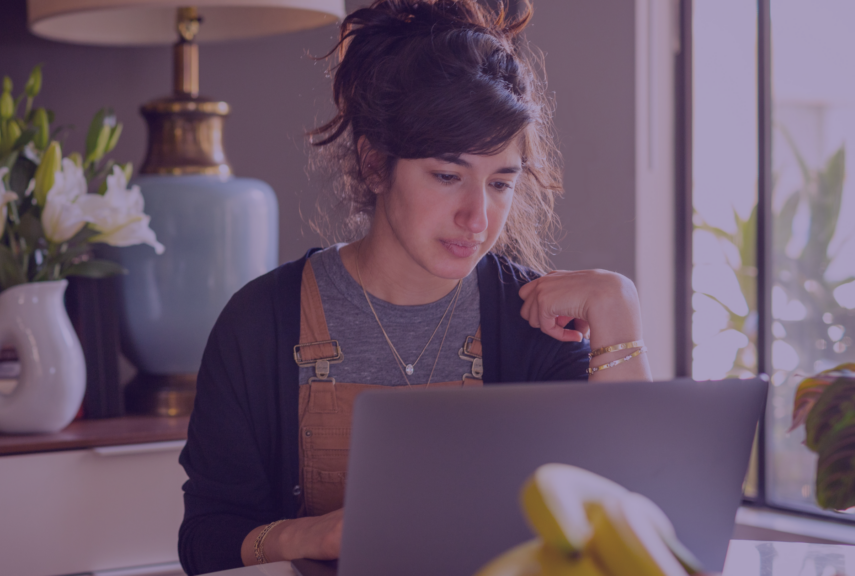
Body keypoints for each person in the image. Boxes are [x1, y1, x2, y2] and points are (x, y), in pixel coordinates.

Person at [177, 1, 652, 573]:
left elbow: (628, 537)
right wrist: (306, 537)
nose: (477, 218)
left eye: (501, 182)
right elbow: (206, 541)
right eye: (447, 176)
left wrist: (619, 310)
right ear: (376, 165)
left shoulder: (538, 324)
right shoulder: (259, 322)